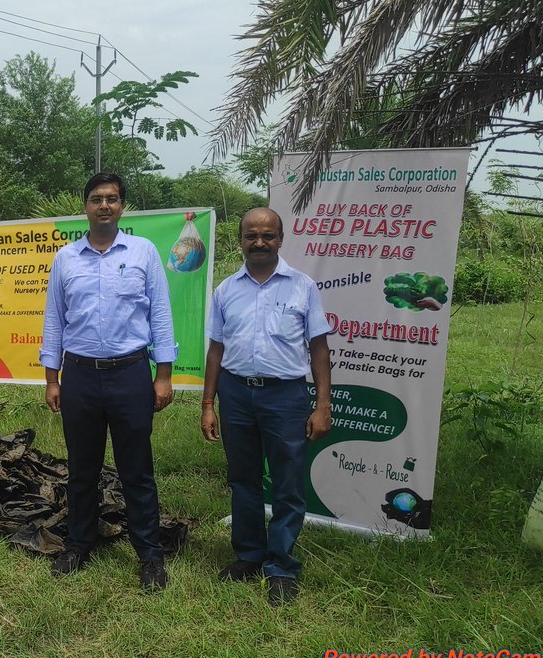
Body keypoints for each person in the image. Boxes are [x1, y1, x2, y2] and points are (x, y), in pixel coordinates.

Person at [39, 172, 178, 592]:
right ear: (85, 206)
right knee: (82, 468)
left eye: (112, 199)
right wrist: (52, 378)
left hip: (131, 374)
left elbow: (160, 314)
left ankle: (149, 554)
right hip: (79, 375)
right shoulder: (66, 258)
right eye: (97, 198)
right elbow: (53, 320)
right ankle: (80, 542)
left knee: (137, 469)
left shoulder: (143, 252)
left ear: (121, 207)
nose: (104, 205)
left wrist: (164, 374)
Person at [200, 206, 332, 605]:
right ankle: (249, 556)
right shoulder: (226, 289)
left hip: (285, 396)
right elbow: (216, 350)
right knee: (243, 479)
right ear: (239, 240)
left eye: (267, 235)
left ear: (280, 238)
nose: (259, 242)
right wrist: (209, 403)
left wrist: (322, 403)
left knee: (288, 483)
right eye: (251, 235)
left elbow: (319, 350)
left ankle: (281, 566)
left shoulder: (302, 287)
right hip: (236, 394)